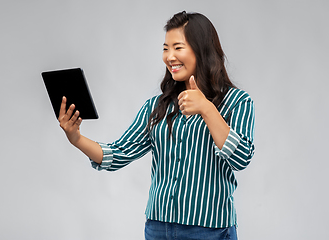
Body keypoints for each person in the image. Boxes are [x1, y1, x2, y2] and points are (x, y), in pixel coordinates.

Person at [58, 11, 255, 240]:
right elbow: (119, 153)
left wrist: (207, 109)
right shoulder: (157, 106)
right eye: (165, 48)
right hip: (158, 229)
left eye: (178, 47)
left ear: (202, 50)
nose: (170, 57)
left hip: (209, 230)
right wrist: (76, 138)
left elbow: (241, 158)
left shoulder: (237, 102)